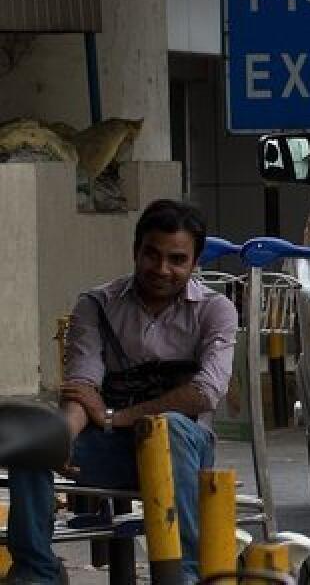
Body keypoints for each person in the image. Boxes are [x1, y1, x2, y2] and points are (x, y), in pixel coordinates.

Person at [3, 199, 238, 585]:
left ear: (195, 263)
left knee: (172, 426)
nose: (162, 269)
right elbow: (83, 387)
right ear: (135, 251)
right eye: (152, 255)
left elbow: (204, 393)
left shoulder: (216, 310)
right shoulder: (97, 304)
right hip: (110, 449)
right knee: (34, 439)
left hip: (185, 453)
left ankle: (185, 574)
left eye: (177, 259)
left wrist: (116, 416)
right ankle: (37, 570)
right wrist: (61, 437)